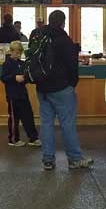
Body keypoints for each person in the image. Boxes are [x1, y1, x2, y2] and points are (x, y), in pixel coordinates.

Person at [36, 10, 93, 171]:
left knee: (46, 123)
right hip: (61, 88)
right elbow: (72, 67)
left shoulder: (39, 36)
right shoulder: (65, 40)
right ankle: (75, 159)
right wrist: (71, 84)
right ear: (63, 22)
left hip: (42, 88)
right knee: (67, 124)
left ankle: (48, 160)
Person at [0, 41, 41, 148]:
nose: (18, 55)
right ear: (11, 51)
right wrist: (14, 78)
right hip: (13, 96)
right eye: (16, 53)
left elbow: (26, 77)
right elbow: (3, 78)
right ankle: (13, 139)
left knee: (28, 116)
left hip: (23, 94)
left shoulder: (22, 64)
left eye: (19, 53)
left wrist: (25, 78)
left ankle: (33, 138)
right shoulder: (7, 64)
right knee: (14, 118)